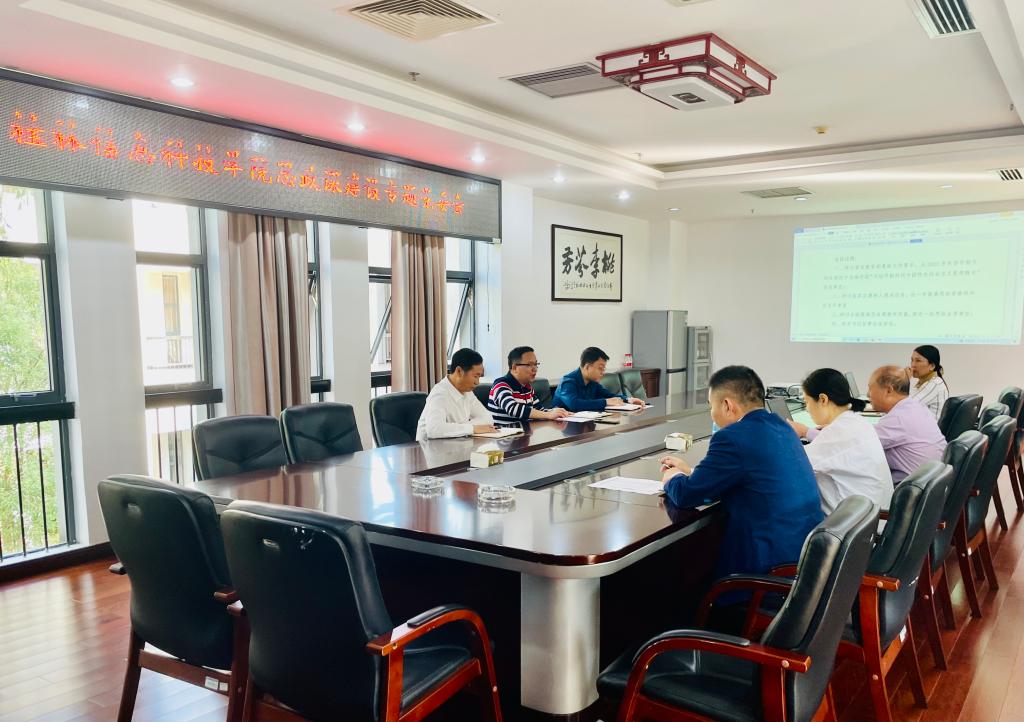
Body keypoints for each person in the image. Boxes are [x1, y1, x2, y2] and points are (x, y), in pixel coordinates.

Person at [659, 365, 824, 582]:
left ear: (727, 405)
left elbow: (687, 494)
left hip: (767, 569)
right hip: (804, 557)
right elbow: (753, 474)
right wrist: (691, 471)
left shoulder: (732, 437)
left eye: (711, 406)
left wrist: (672, 478)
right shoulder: (782, 427)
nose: (712, 414)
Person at [787, 368, 893, 513]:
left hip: (856, 522)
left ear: (823, 399)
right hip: (870, 516)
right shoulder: (856, 422)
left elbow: (792, 465)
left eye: (806, 402)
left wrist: (784, 437)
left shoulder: (839, 432)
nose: (807, 409)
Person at [866, 365, 946, 483]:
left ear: (888, 390)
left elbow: (860, 444)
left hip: (911, 488)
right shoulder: (915, 406)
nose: (868, 394)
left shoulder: (898, 419)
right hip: (932, 483)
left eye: (870, 388)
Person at [415, 348, 495, 441]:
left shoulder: (467, 392)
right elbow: (434, 429)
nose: (477, 382)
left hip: (456, 444)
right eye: (475, 376)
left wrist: (462, 428)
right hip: (430, 447)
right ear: (459, 371)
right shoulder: (440, 393)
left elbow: (487, 418)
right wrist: (472, 429)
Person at [487, 346, 570, 426]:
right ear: (515, 368)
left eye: (536, 364)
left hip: (524, 433)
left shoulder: (527, 387)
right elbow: (512, 408)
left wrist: (559, 413)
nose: (535, 369)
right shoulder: (501, 385)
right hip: (505, 434)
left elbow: (540, 411)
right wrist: (549, 415)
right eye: (529, 365)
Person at [553, 347, 645, 412]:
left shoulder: (593, 382)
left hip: (586, 424)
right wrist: (605, 402)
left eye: (604, 369)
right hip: (564, 427)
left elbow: (609, 396)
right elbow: (574, 404)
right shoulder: (568, 382)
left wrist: (628, 400)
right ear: (587, 367)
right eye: (600, 368)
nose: (603, 372)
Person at [909, 344, 949, 420]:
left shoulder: (935, 384)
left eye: (918, 361)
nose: (913, 365)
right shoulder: (921, 382)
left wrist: (904, 380)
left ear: (932, 366)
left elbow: (906, 407)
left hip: (928, 427)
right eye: (912, 360)